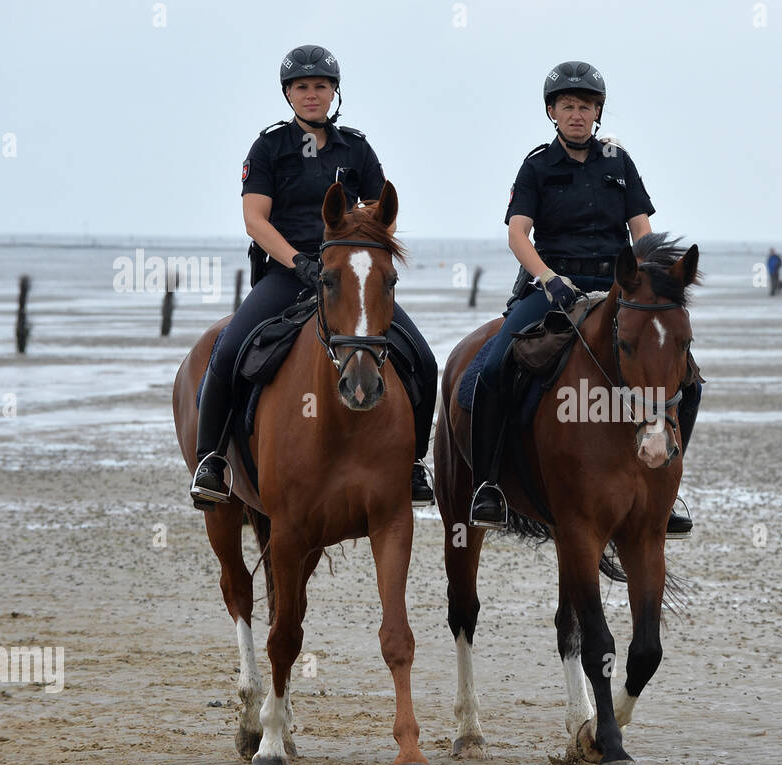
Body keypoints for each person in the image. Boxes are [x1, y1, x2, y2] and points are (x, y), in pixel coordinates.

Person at [190, 45, 437, 510]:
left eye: (320, 86)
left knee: (423, 359)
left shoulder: (357, 148)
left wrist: (356, 251)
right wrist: (298, 262)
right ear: (288, 93)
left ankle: (413, 465)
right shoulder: (269, 148)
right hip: (286, 275)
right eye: (301, 87)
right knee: (227, 350)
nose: (311, 95)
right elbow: (255, 220)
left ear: (333, 92)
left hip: (345, 277)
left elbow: (381, 215)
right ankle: (212, 461)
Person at [468, 60, 700, 538]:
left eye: (587, 106)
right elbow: (518, 234)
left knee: (688, 377)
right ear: (552, 111)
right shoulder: (536, 166)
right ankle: (488, 486)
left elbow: (641, 229)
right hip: (554, 286)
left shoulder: (619, 161)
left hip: (617, 289)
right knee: (491, 370)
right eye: (568, 105)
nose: (578, 114)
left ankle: (665, 484)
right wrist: (549, 278)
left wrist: (643, 279)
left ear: (598, 111)